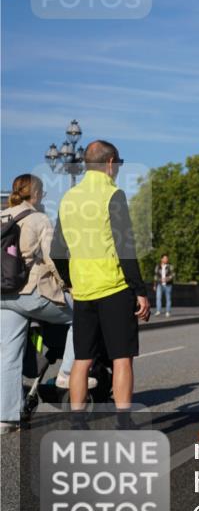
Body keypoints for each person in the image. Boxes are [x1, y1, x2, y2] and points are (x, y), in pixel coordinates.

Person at [52, 141, 151, 427]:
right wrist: (140, 290)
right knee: (122, 357)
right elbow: (125, 248)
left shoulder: (69, 198)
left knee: (81, 359)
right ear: (110, 163)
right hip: (113, 287)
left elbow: (56, 250)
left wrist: (70, 280)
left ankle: (78, 421)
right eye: (118, 163)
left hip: (83, 290)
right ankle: (123, 420)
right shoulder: (113, 195)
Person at [1, 176, 77, 433]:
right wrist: (68, 286)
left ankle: (6, 418)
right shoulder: (39, 218)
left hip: (4, 296)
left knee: (8, 355)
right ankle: (66, 373)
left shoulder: (2, 216)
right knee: (83, 317)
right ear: (37, 194)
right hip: (32, 293)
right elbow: (54, 258)